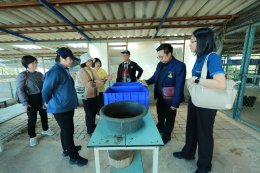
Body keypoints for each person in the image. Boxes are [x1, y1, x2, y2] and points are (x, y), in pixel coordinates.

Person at [173, 28, 226, 173]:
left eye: (192, 41)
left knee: (204, 133)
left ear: (202, 41)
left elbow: (221, 84)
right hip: (196, 99)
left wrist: (196, 80)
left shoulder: (212, 57)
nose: (190, 45)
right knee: (191, 128)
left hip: (207, 104)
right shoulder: (200, 56)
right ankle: (188, 153)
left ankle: (204, 166)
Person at [42, 47, 88, 166]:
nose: (72, 61)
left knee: (66, 130)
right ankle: (74, 157)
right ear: (63, 58)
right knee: (68, 131)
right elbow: (46, 90)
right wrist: (46, 102)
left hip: (66, 106)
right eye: (70, 59)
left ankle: (67, 149)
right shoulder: (54, 71)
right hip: (60, 107)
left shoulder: (63, 69)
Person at [141, 44, 186, 144]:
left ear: (169, 54)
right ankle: (160, 126)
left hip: (171, 98)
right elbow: (155, 76)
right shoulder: (160, 64)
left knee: (170, 117)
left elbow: (179, 85)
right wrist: (147, 82)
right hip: (160, 95)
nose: (160, 59)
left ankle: (167, 135)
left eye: (161, 56)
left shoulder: (179, 66)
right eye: (158, 56)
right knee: (160, 114)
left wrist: (175, 103)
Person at [16, 55, 54, 147]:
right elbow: (20, 90)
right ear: (26, 64)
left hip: (41, 97)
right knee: (32, 119)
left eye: (35, 62)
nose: (35, 64)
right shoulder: (22, 75)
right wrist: (25, 103)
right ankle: (32, 137)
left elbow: (44, 87)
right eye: (32, 63)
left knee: (44, 115)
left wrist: (46, 99)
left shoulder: (39, 74)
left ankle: (45, 130)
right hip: (30, 99)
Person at [77, 53, 104, 134]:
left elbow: (99, 81)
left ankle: (92, 126)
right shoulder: (81, 72)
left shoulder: (92, 70)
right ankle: (90, 129)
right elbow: (89, 85)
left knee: (95, 111)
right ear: (84, 62)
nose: (91, 61)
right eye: (88, 60)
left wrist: (101, 80)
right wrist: (96, 82)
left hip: (95, 95)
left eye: (91, 60)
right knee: (89, 114)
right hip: (87, 96)